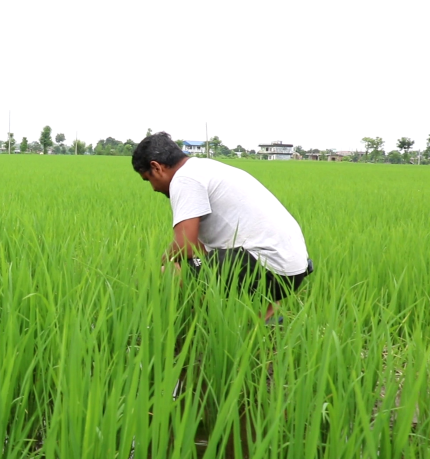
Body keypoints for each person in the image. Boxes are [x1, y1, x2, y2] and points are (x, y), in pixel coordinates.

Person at [132, 132, 313, 322]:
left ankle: (208, 326)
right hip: (293, 268)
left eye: (148, 179)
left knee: (168, 273)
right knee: (203, 264)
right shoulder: (206, 168)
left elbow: (185, 246)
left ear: (156, 167)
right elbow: (199, 247)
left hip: (270, 267)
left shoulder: (185, 179)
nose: (153, 188)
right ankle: (265, 318)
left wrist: (158, 265)